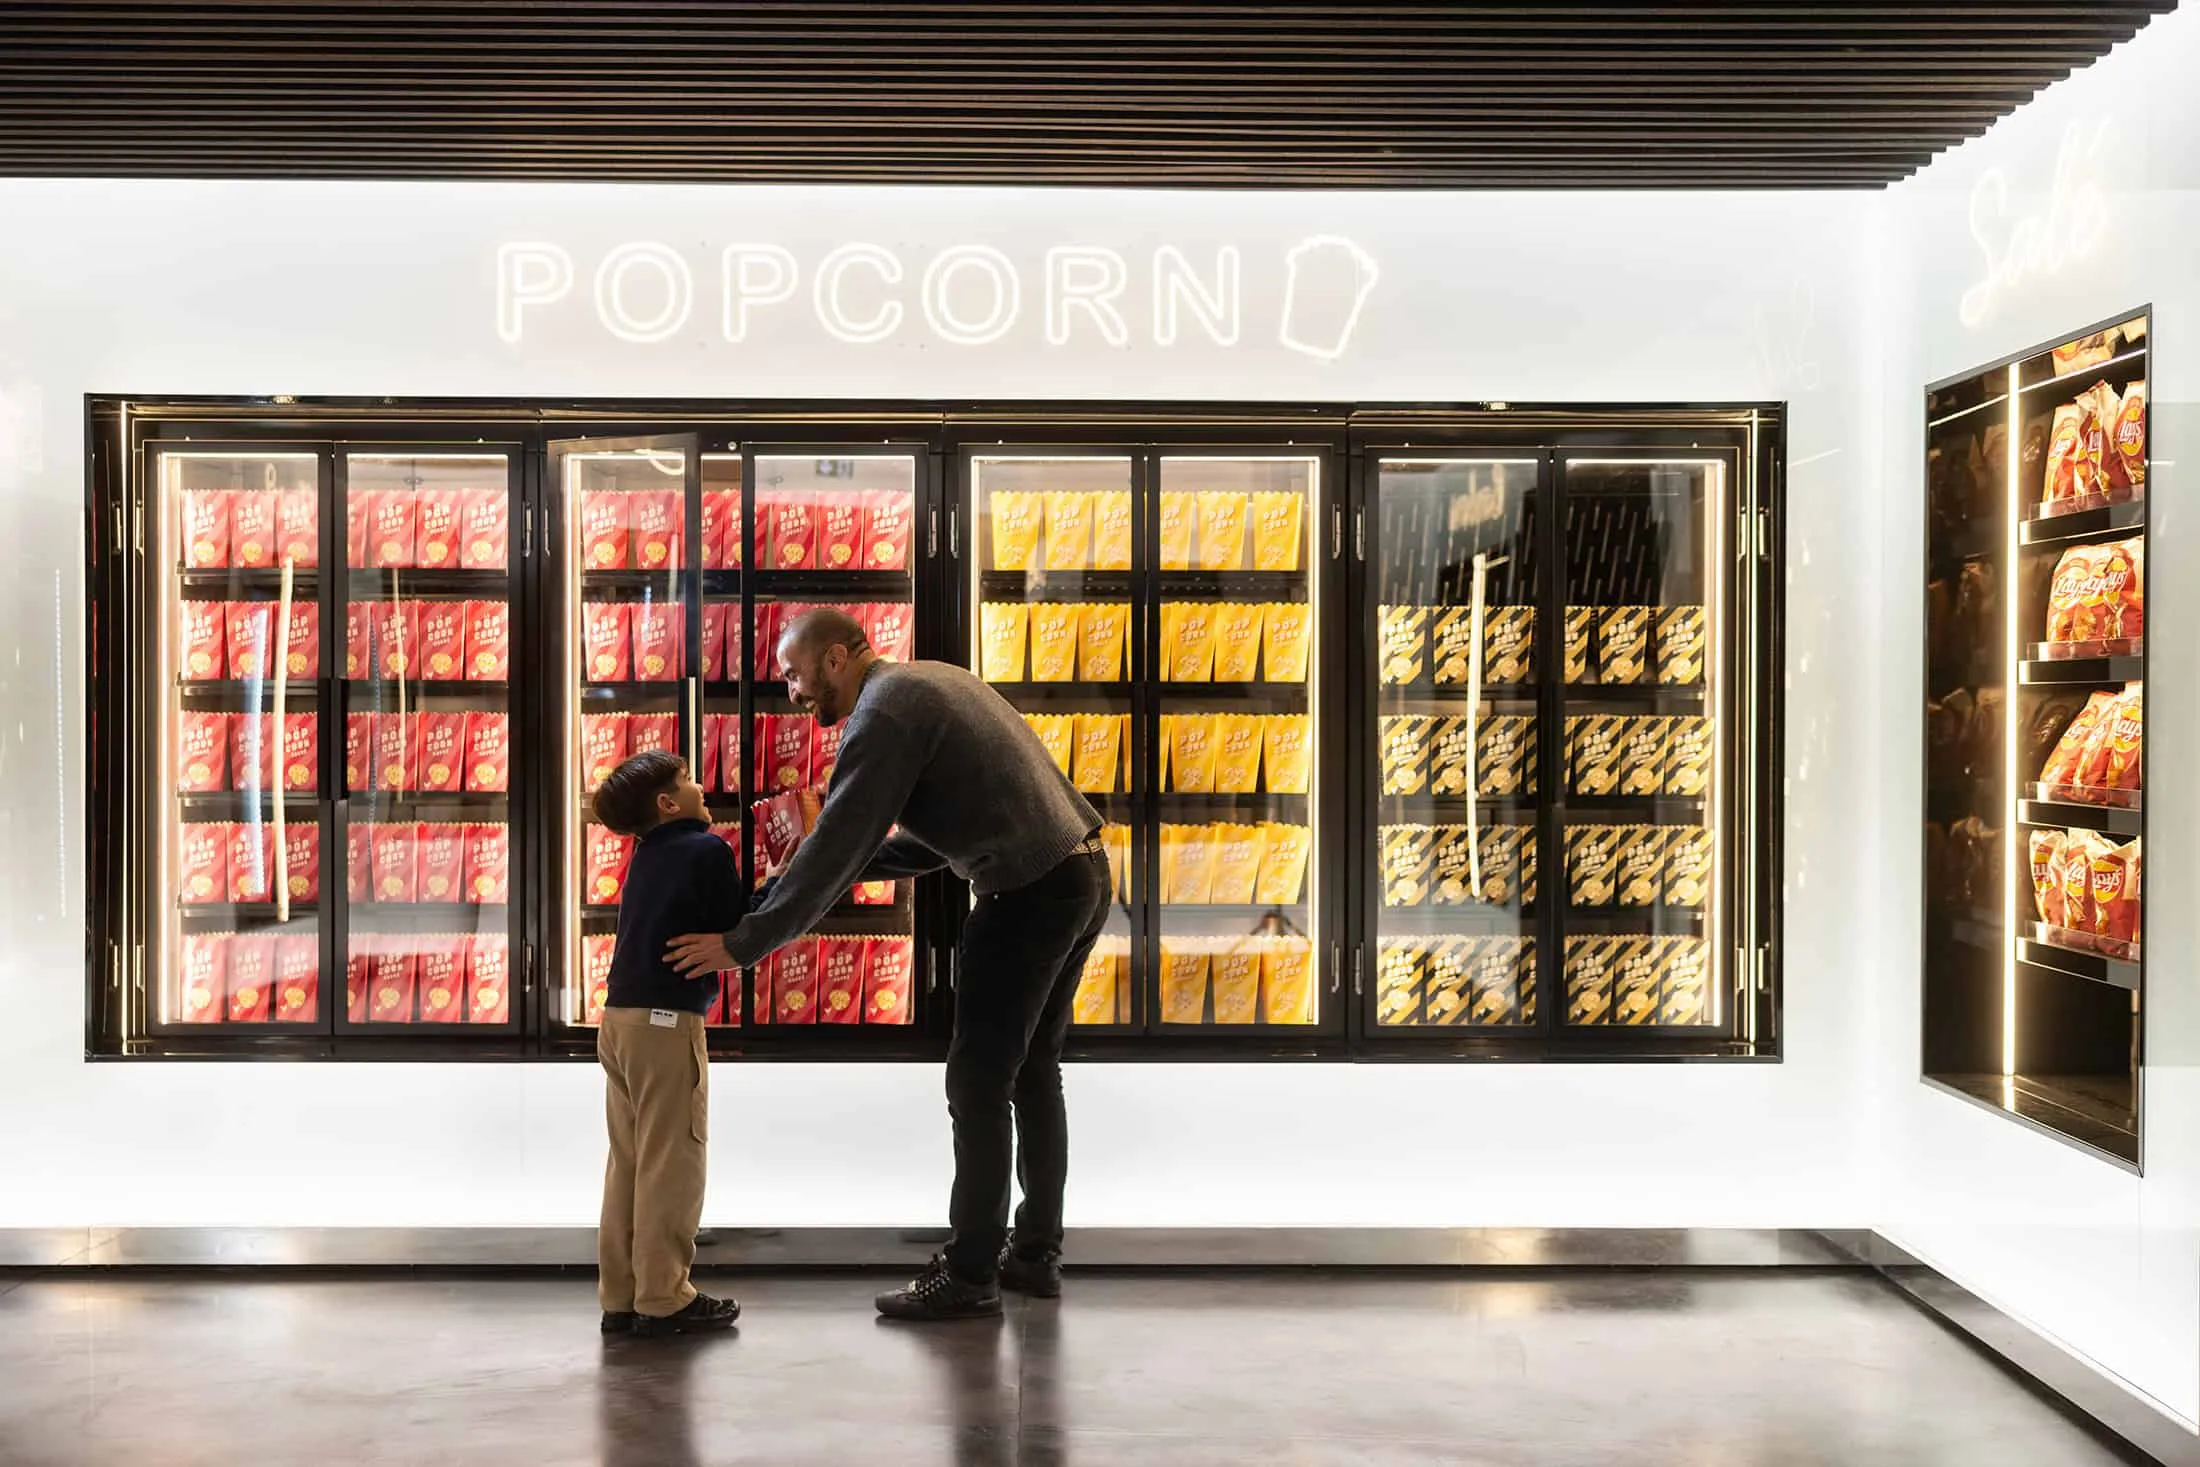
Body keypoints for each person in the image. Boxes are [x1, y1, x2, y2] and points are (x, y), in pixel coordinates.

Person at [667, 607, 1110, 1321]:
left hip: (1027, 889)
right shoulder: (926, 683)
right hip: (1080, 871)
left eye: (794, 672)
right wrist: (829, 869)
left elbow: (839, 838)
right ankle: (1032, 1253)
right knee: (1031, 1069)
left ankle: (968, 1273)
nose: (792, 691)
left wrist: (745, 940)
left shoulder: (885, 714)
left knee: (977, 1079)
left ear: (837, 656)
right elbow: (936, 834)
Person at [591, 749, 746, 1338]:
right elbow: (738, 927)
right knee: (673, 1162)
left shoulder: (645, 856)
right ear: (666, 801)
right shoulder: (708, 849)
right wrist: (781, 879)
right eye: (687, 780)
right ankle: (665, 1298)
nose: (701, 785)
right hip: (665, 1026)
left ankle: (622, 1297)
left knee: (627, 1163)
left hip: (619, 1023)